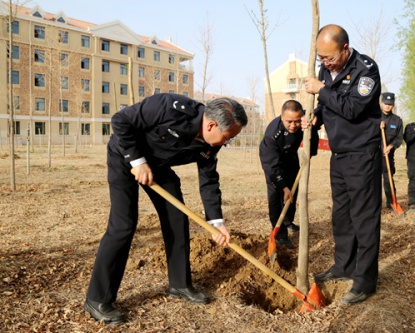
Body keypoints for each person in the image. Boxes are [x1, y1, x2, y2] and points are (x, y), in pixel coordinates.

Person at [84, 93, 248, 324]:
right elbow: (120, 120)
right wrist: (138, 161)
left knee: (177, 218)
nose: (226, 142)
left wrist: (216, 223)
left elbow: (209, 180)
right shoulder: (169, 107)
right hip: (125, 157)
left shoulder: (212, 143)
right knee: (124, 225)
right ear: (211, 125)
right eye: (227, 138)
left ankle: (180, 284)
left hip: (159, 166)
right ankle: (97, 299)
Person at [303, 24, 382, 305]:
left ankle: (365, 280)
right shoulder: (326, 69)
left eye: (330, 58)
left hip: (362, 154)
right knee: (342, 215)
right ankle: (343, 265)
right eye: (320, 59)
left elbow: (351, 108)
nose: (325, 64)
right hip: (339, 154)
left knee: (364, 217)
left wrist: (322, 90)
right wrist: (316, 116)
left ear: (345, 49)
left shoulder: (366, 70)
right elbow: (328, 106)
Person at [259, 100, 319, 249]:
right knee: (277, 197)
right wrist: (282, 186)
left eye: (297, 121)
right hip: (274, 163)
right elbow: (271, 167)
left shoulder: (305, 120)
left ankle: (287, 221)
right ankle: (280, 234)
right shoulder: (272, 135)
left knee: (293, 193)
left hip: (291, 159)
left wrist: (312, 128)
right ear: (281, 117)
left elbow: (317, 117)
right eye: (289, 122)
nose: (293, 125)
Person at [379, 92, 403, 209]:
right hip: (373, 155)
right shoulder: (374, 117)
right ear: (381, 103)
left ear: (393, 105)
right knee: (372, 181)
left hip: (388, 156)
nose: (388, 106)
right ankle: (373, 204)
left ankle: (391, 203)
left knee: (388, 179)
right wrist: (376, 126)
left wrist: (390, 146)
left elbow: (399, 138)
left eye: (390, 104)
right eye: (386, 103)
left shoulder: (397, 120)